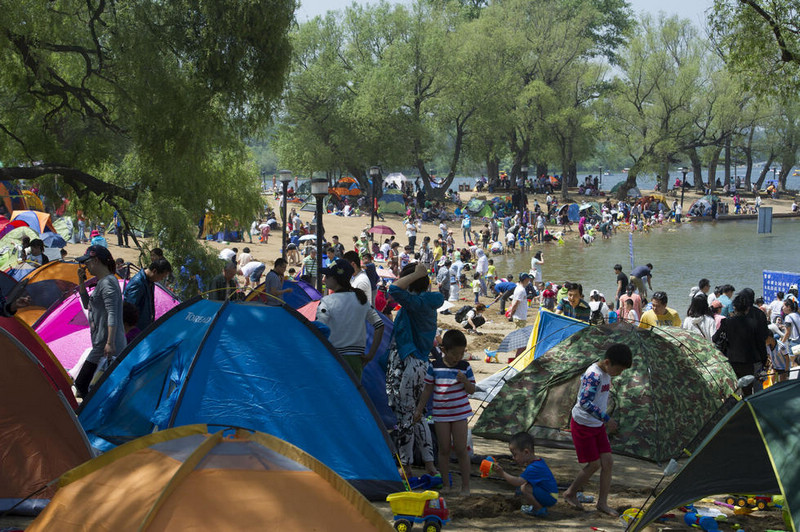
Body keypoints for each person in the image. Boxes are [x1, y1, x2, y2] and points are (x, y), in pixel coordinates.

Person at [385, 262, 444, 479]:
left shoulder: (416, 303)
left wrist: (417, 274)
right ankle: (429, 465)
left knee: (405, 418)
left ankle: (406, 467)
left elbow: (394, 289)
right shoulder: (425, 302)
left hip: (408, 364)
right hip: (418, 364)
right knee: (417, 416)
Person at [563, 343, 633, 516]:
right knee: (594, 464)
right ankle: (570, 493)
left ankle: (602, 503)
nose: (620, 374)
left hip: (597, 425)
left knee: (608, 462)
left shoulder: (606, 373)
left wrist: (603, 420)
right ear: (607, 362)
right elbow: (585, 402)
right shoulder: (594, 375)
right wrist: (607, 419)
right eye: (619, 369)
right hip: (583, 424)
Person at [414, 329, 475, 495]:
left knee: (462, 450)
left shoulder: (465, 367)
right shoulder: (435, 366)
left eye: (462, 353)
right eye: (455, 353)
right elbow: (427, 389)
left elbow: (472, 390)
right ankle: (446, 484)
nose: (459, 357)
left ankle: (466, 486)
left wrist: (464, 381)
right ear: (444, 351)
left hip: (460, 414)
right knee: (444, 450)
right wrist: (420, 409)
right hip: (440, 414)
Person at [316, 258, 384, 381]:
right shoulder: (361, 300)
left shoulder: (327, 301)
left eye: (327, 276)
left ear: (335, 279)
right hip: (356, 360)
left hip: (334, 359)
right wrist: (370, 355)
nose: (323, 279)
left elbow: (319, 328)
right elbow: (379, 325)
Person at [74, 246, 126, 398]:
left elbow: (112, 313)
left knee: (83, 384)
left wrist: (110, 342)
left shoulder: (108, 282)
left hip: (107, 345)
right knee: (86, 387)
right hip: (100, 343)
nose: (86, 267)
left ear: (96, 260)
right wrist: (81, 281)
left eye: (87, 263)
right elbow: (86, 304)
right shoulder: (102, 282)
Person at [712, 291, 769, 396]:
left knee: (733, 392)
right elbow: (760, 343)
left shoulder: (726, 322)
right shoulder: (753, 324)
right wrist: (764, 360)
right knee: (747, 392)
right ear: (747, 309)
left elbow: (715, 338)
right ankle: (747, 410)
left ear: (734, 307)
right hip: (748, 362)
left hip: (730, 362)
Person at [493, 432, 558, 517]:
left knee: (525, 487)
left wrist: (502, 473)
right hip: (550, 494)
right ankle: (535, 506)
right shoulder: (537, 462)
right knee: (523, 486)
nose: (513, 458)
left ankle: (539, 509)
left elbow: (517, 482)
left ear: (526, 452)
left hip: (550, 497)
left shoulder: (534, 468)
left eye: (515, 454)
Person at [123, 258, 172, 331]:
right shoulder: (137, 283)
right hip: (134, 331)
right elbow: (129, 309)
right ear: (155, 271)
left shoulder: (150, 282)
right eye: (162, 277)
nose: (161, 279)